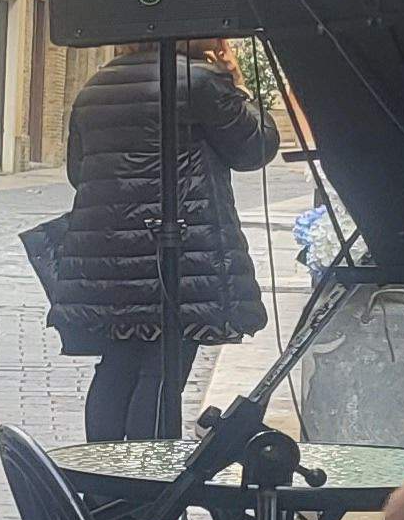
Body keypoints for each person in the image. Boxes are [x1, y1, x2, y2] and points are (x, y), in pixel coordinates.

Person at [44, 37, 276, 441]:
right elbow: (253, 149)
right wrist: (238, 83)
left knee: (116, 368)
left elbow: (79, 173)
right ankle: (148, 490)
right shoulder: (200, 82)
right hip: (180, 256)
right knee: (162, 373)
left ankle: (103, 488)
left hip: (107, 259)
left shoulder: (96, 85)